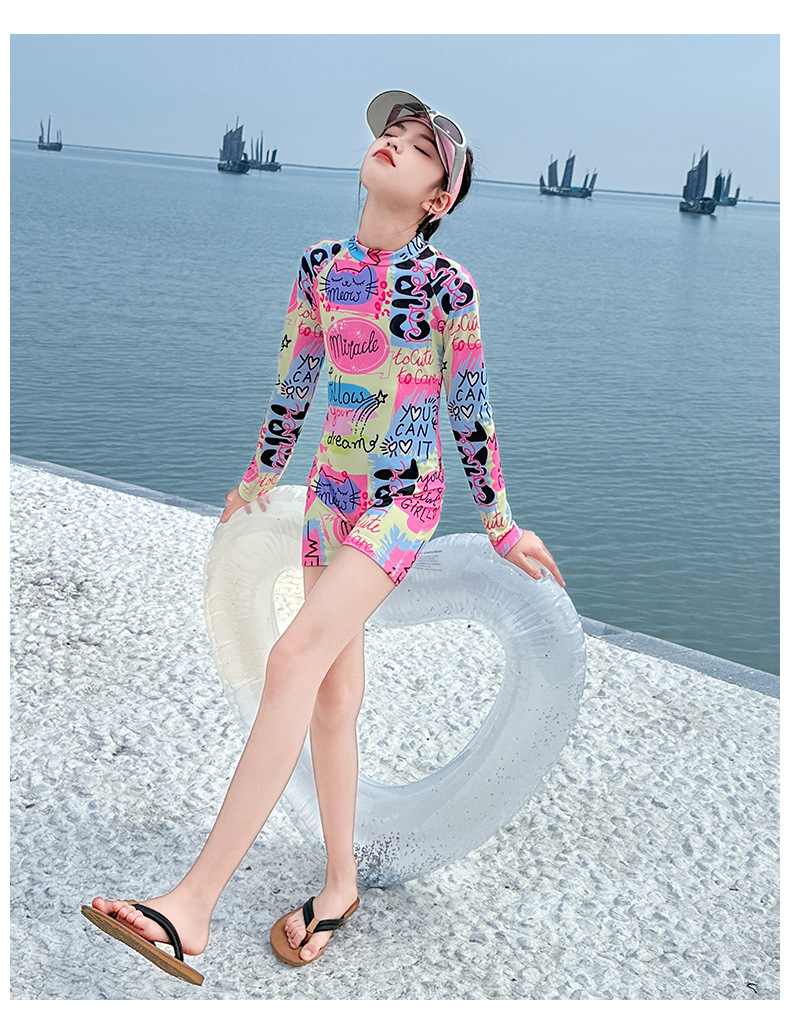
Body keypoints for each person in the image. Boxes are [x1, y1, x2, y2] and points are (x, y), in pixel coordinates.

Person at [82, 89, 564, 983]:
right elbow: (296, 377)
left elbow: (470, 408)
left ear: (438, 198)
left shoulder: (450, 288)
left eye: (419, 145)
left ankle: (191, 907)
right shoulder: (318, 267)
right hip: (331, 496)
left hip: (402, 500)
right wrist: (261, 472)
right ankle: (341, 884)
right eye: (392, 131)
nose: (395, 142)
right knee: (335, 699)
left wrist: (501, 525)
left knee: (293, 658)